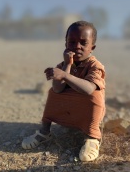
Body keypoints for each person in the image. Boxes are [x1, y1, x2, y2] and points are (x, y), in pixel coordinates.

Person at [22, 21, 106, 162]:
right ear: (66, 44)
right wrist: (67, 65)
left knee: (94, 95)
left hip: (86, 109)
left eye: (83, 42)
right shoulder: (63, 65)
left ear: (92, 47)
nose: (77, 46)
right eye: (72, 42)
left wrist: (65, 76)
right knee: (52, 92)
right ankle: (44, 132)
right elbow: (57, 88)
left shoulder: (95, 66)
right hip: (69, 109)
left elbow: (89, 89)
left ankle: (93, 138)